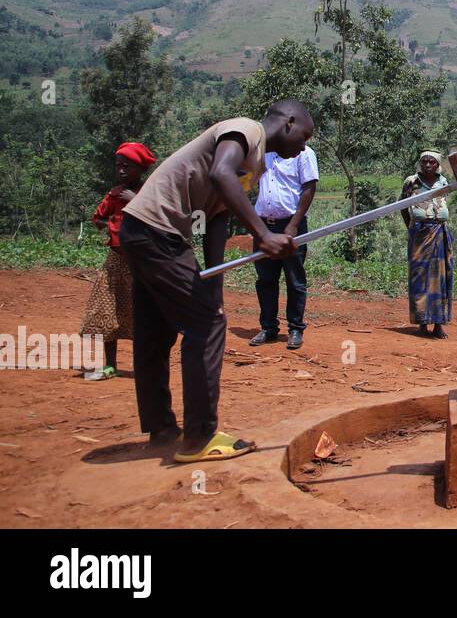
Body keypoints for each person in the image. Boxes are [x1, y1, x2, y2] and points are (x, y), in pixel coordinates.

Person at [118, 100, 313, 463]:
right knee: (206, 327)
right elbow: (220, 175)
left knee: (155, 333)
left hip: (142, 229)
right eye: (305, 135)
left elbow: (216, 221)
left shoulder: (252, 166)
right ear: (288, 122)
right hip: (159, 232)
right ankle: (199, 437)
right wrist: (262, 235)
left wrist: (215, 287)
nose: (304, 145)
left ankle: (162, 431)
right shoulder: (247, 130)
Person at [78, 142, 157, 381]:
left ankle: (144, 367)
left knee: (140, 314)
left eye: (127, 166)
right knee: (106, 311)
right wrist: (112, 223)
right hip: (115, 262)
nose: (121, 170)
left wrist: (134, 200)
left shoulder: (149, 193)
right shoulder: (113, 194)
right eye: (118, 165)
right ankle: (110, 364)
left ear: (140, 170)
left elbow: (158, 219)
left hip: (141, 263)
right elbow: (98, 218)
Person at [249, 144, 318, 350]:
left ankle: (296, 328)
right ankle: (268, 327)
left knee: (295, 280)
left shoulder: (304, 152)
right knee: (265, 280)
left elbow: (309, 187)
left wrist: (294, 224)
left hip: (291, 225)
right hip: (263, 226)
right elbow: (247, 180)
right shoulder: (262, 153)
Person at [400, 151, 454, 339]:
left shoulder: (443, 182)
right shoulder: (411, 182)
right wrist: (412, 227)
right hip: (419, 235)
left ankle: (438, 324)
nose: (428, 165)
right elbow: (402, 206)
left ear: (437, 164)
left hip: (440, 233)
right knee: (419, 277)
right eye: (425, 161)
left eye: (432, 162)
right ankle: (422, 323)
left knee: (440, 279)